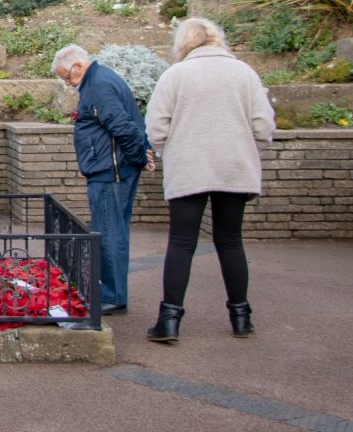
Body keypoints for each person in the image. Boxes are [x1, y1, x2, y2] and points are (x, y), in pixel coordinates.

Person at [144, 17, 275, 343]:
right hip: (234, 167)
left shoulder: (175, 75)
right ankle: (241, 317)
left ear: (183, 43)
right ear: (217, 38)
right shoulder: (245, 73)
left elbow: (155, 128)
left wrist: (167, 151)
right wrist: (243, 148)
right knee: (230, 240)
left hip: (190, 167)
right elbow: (263, 127)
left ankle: (170, 320)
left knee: (181, 242)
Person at [52, 44, 155, 316]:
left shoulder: (96, 84)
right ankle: (111, 290)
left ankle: (112, 295)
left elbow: (121, 125)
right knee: (113, 232)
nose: (68, 83)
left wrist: (141, 157)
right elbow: (129, 123)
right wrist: (141, 154)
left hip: (111, 173)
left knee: (108, 234)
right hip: (115, 169)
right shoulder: (103, 78)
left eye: (67, 77)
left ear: (78, 66)